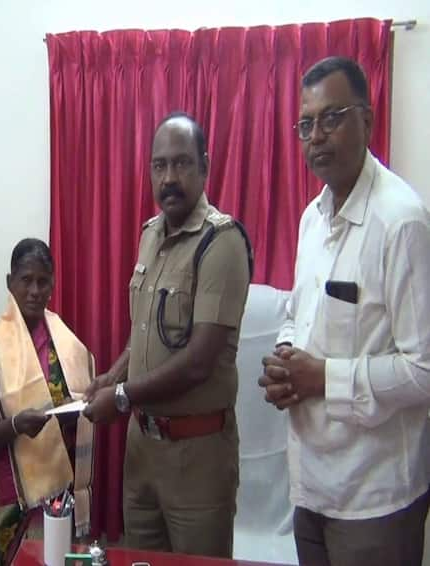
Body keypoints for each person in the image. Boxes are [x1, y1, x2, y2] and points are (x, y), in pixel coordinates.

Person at [259, 56, 430, 566]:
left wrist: (324, 379)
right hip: (309, 486)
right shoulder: (313, 217)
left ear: (368, 121)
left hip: (375, 497)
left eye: (333, 118)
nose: (317, 136)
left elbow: (423, 369)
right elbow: (297, 312)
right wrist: (286, 356)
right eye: (306, 124)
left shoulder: (401, 222)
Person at [84, 112, 252, 557]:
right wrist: (113, 374)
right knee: (140, 560)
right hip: (141, 450)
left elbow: (199, 360)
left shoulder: (222, 243)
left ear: (205, 165)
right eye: (160, 165)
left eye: (181, 163)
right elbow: (144, 333)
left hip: (197, 456)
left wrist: (120, 396)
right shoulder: (149, 234)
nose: (169, 177)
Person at [0, 238, 95, 566]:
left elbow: (83, 404)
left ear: (53, 284)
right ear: (9, 282)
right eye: (25, 280)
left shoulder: (66, 344)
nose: (34, 290)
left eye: (43, 281)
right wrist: (17, 425)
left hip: (62, 490)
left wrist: (76, 413)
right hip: (17, 497)